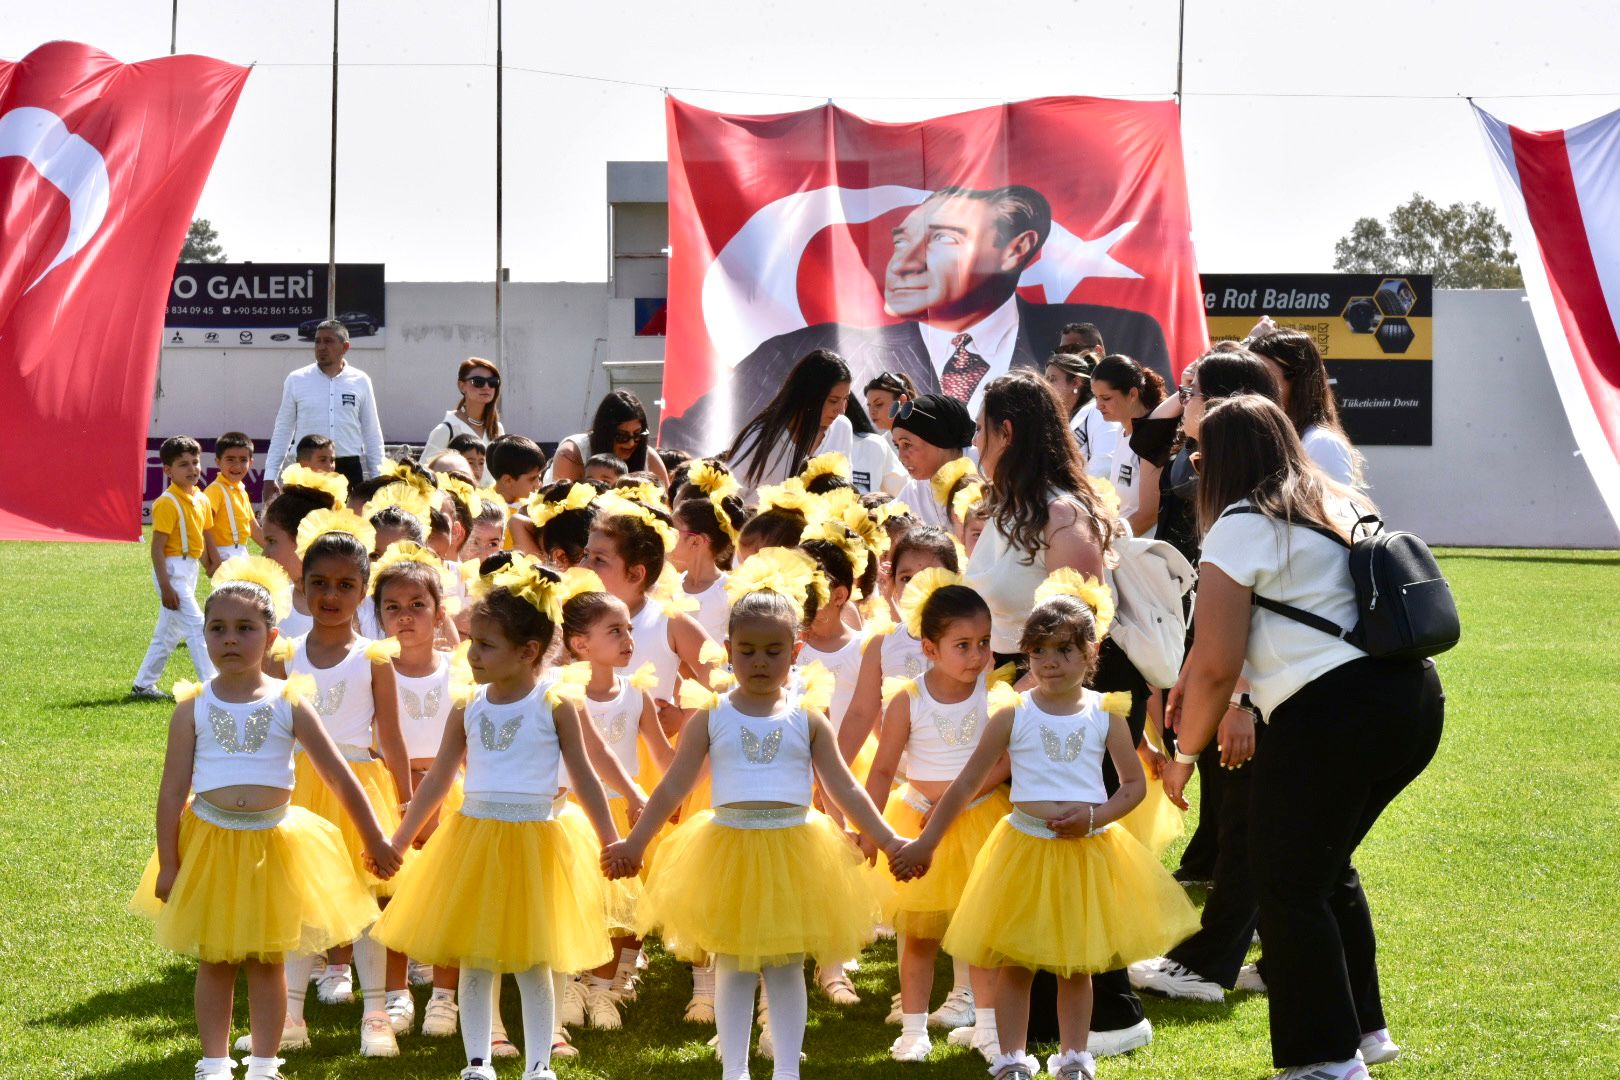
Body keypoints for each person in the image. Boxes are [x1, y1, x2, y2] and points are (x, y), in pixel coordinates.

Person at [1161, 395, 1443, 1080]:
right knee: (1321, 869)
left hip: (1333, 711)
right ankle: (1363, 1032)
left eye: (1201, 451)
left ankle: (1325, 1061)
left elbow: (1216, 663)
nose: (1193, 462)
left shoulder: (1240, 524)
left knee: (1287, 884)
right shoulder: (1333, 500)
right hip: (1412, 697)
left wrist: (1183, 755)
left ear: (1227, 459)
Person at [604, 552, 905, 1080]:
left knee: (786, 965)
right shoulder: (712, 716)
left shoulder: (807, 718)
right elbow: (673, 786)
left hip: (794, 850)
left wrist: (888, 838)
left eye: (773, 651)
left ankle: (786, 1069)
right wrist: (635, 842)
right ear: (728, 651)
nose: (760, 662)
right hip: (730, 850)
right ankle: (735, 1070)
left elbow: (845, 787)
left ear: (796, 650)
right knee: (734, 965)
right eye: (746, 651)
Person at [890, 584, 1199, 1080]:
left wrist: (1094, 819)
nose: (1049, 662)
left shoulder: (1106, 714)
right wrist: (926, 843)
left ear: (1090, 652)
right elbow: (967, 782)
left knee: (1076, 965)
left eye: (1063, 650)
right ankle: (1011, 1058)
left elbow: (1133, 787)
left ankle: (1074, 1057)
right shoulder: (1012, 713)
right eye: (1038, 651)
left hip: (1085, 852)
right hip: (1023, 848)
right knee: (1017, 960)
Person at [128, 568, 400, 1080]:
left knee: (267, 958)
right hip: (210, 843)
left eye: (245, 628)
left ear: (271, 637)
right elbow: (171, 792)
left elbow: (340, 778)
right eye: (218, 628)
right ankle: (213, 1061)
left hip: (273, 844)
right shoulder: (192, 707)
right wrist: (169, 863)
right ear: (204, 634)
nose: (231, 639)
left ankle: (265, 1062)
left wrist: (375, 839)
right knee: (215, 958)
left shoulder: (289, 701)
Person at [661, 185, 1170, 452]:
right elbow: (690, 446)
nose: (905, 261)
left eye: (943, 239)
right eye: (902, 240)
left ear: (1016, 248)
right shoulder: (802, 353)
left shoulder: (1110, 337)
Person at [963, 370, 1159, 1057]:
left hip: (1062, 703)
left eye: (980, 431)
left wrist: (1026, 699)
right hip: (1019, 693)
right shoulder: (1008, 509)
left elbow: (1080, 628)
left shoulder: (1061, 516)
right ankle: (1038, 1023)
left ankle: (1112, 1017)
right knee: (1033, 864)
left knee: (1077, 864)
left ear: (1007, 432)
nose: (975, 445)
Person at [370, 560, 621, 1080]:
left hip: (536, 842)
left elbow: (585, 777)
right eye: (472, 642)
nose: (471, 654)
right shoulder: (469, 705)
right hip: (476, 839)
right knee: (476, 957)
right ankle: (478, 1061)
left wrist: (613, 840)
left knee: (533, 961)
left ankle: (538, 1064)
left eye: (485, 645)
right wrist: (398, 840)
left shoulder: (554, 704)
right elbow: (438, 779)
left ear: (527, 652)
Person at [263, 524, 412, 1057]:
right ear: (301, 586)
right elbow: (269, 727)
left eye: (346, 585)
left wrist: (406, 802)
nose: (331, 595)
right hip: (296, 790)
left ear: (363, 590)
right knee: (298, 901)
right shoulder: (283, 653)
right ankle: (290, 1017)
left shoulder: (374, 656)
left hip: (359, 789)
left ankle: (376, 1014)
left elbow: (390, 734)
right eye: (320, 583)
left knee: (367, 901)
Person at [864, 573, 1011, 1063]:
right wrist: (871, 830)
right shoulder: (908, 698)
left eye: (984, 643)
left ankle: (987, 1027)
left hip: (979, 820)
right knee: (919, 934)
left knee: (982, 932)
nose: (977, 655)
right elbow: (882, 768)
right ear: (930, 648)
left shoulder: (994, 693)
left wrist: (956, 799)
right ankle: (914, 1030)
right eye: (962, 645)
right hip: (916, 822)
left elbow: (1004, 761)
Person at [557, 585, 676, 1029]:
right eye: (615, 631)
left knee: (621, 906)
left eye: (629, 629)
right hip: (573, 812)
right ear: (580, 643)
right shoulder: (562, 693)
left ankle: (603, 988)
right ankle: (571, 983)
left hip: (624, 811)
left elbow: (662, 755)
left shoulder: (636, 693)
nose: (628, 639)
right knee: (576, 901)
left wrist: (683, 786)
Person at [132, 436, 220, 700]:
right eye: (184, 464)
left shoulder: (201, 499)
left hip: (189, 568)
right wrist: (165, 586)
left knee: (168, 633)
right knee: (197, 624)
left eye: (195, 462)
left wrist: (210, 565)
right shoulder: (167, 503)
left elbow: (199, 538)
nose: (192, 469)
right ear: (168, 470)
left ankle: (142, 686)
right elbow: (157, 548)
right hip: (171, 571)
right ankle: (213, 686)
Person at [265, 319, 386, 494]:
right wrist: (270, 475)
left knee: (348, 514)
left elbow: (372, 432)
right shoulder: (296, 379)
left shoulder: (361, 380)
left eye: (328, 341)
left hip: (348, 468)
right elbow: (283, 429)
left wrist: (378, 478)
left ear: (345, 347)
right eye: (317, 341)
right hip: (306, 469)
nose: (321, 347)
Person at [723, 349, 854, 498]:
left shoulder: (842, 428)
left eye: (846, 399)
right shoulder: (761, 438)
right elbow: (725, 497)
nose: (842, 410)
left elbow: (845, 493)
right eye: (833, 401)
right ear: (808, 396)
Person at [1245, 327, 1364, 488]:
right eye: (1251, 375)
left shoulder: (1321, 443)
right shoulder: (1265, 439)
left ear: (1297, 378)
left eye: (1262, 374)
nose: (1253, 385)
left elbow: (1331, 505)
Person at [1089, 354, 1167, 538]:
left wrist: (1105, 539)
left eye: (1106, 398)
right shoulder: (1121, 431)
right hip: (1124, 547)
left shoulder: (1153, 437)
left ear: (1132, 394)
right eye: (1096, 397)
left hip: (1145, 550)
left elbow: (1149, 515)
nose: (1098, 406)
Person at [549, 390, 671, 489]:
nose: (631, 443)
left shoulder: (649, 457)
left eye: (637, 434)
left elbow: (667, 505)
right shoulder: (571, 454)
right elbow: (562, 506)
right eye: (622, 436)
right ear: (605, 433)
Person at [889, 394, 978, 527]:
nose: (901, 457)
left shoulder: (989, 470)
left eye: (907, 445)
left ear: (939, 439)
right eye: (897, 446)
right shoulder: (915, 490)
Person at [1044, 350, 1118, 479]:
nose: (1046, 385)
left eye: (1052, 379)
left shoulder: (1098, 412)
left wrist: (1080, 491)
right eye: (1045, 380)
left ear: (1075, 383)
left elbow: (1104, 467)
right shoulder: (1056, 421)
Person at [422, 359, 505, 470]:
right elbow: (424, 474)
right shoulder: (446, 430)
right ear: (462, 386)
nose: (486, 386)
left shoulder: (497, 429)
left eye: (493, 382)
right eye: (478, 381)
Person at [205, 431, 262, 562]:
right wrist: (213, 558)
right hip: (223, 553)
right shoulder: (215, 490)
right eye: (230, 459)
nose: (237, 466)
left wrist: (275, 551)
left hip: (241, 551)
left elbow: (254, 529)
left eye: (243, 460)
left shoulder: (242, 491)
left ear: (250, 463)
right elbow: (203, 526)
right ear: (218, 462)